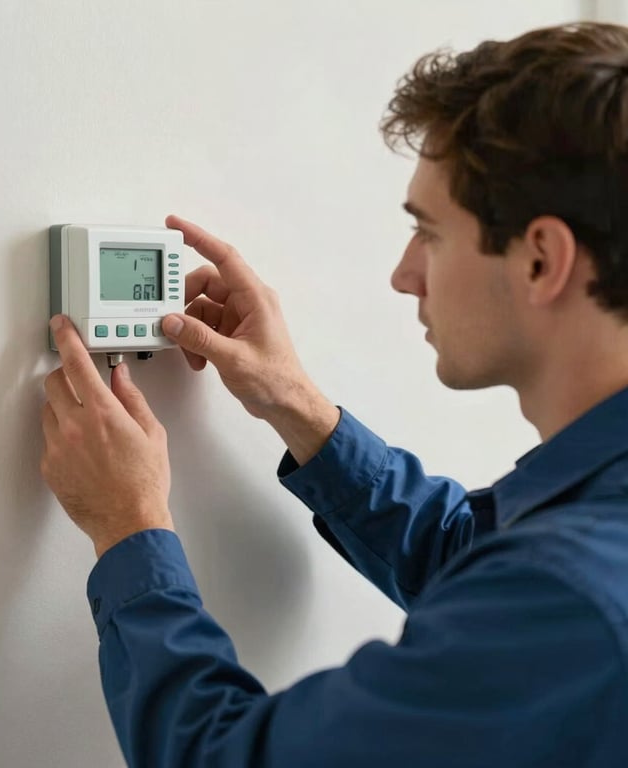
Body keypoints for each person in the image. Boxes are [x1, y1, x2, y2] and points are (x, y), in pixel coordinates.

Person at [40, 21, 628, 767]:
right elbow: (471, 556)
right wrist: (298, 407)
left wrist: (128, 528)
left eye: (430, 233)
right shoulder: (589, 537)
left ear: (542, 259)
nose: (404, 274)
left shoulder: (568, 598)